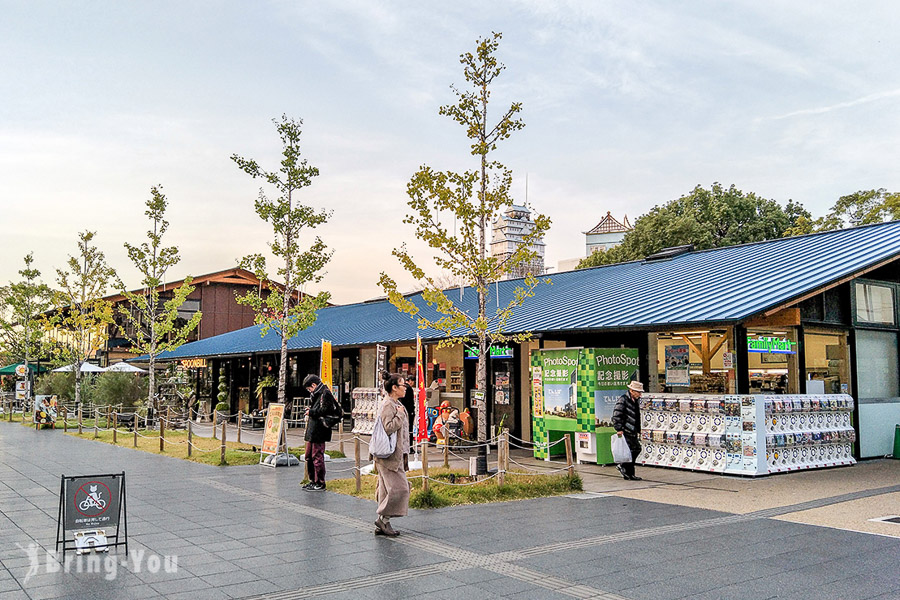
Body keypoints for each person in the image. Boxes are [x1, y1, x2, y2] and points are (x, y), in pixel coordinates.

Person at [374, 372, 410, 537]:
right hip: (389, 455)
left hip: (392, 454)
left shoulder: (395, 403)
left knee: (385, 489)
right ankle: (383, 518)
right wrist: (400, 414)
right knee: (400, 489)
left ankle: (383, 522)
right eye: (403, 385)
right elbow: (388, 427)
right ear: (394, 388)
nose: (406, 387)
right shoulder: (389, 405)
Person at [302, 374, 340, 491]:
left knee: (317, 456)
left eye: (309, 389)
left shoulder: (325, 393)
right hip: (313, 428)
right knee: (309, 456)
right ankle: (312, 480)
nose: (309, 391)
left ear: (314, 385)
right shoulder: (317, 394)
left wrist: (311, 412)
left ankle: (320, 482)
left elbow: (325, 410)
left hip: (320, 429)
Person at [612, 380, 644, 481]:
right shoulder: (623, 400)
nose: (640, 394)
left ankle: (627, 471)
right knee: (634, 450)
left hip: (632, 429)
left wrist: (638, 429)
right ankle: (626, 469)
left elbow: (636, 416)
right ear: (631, 391)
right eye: (638, 392)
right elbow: (616, 415)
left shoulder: (635, 400)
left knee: (633, 450)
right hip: (626, 430)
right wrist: (619, 428)